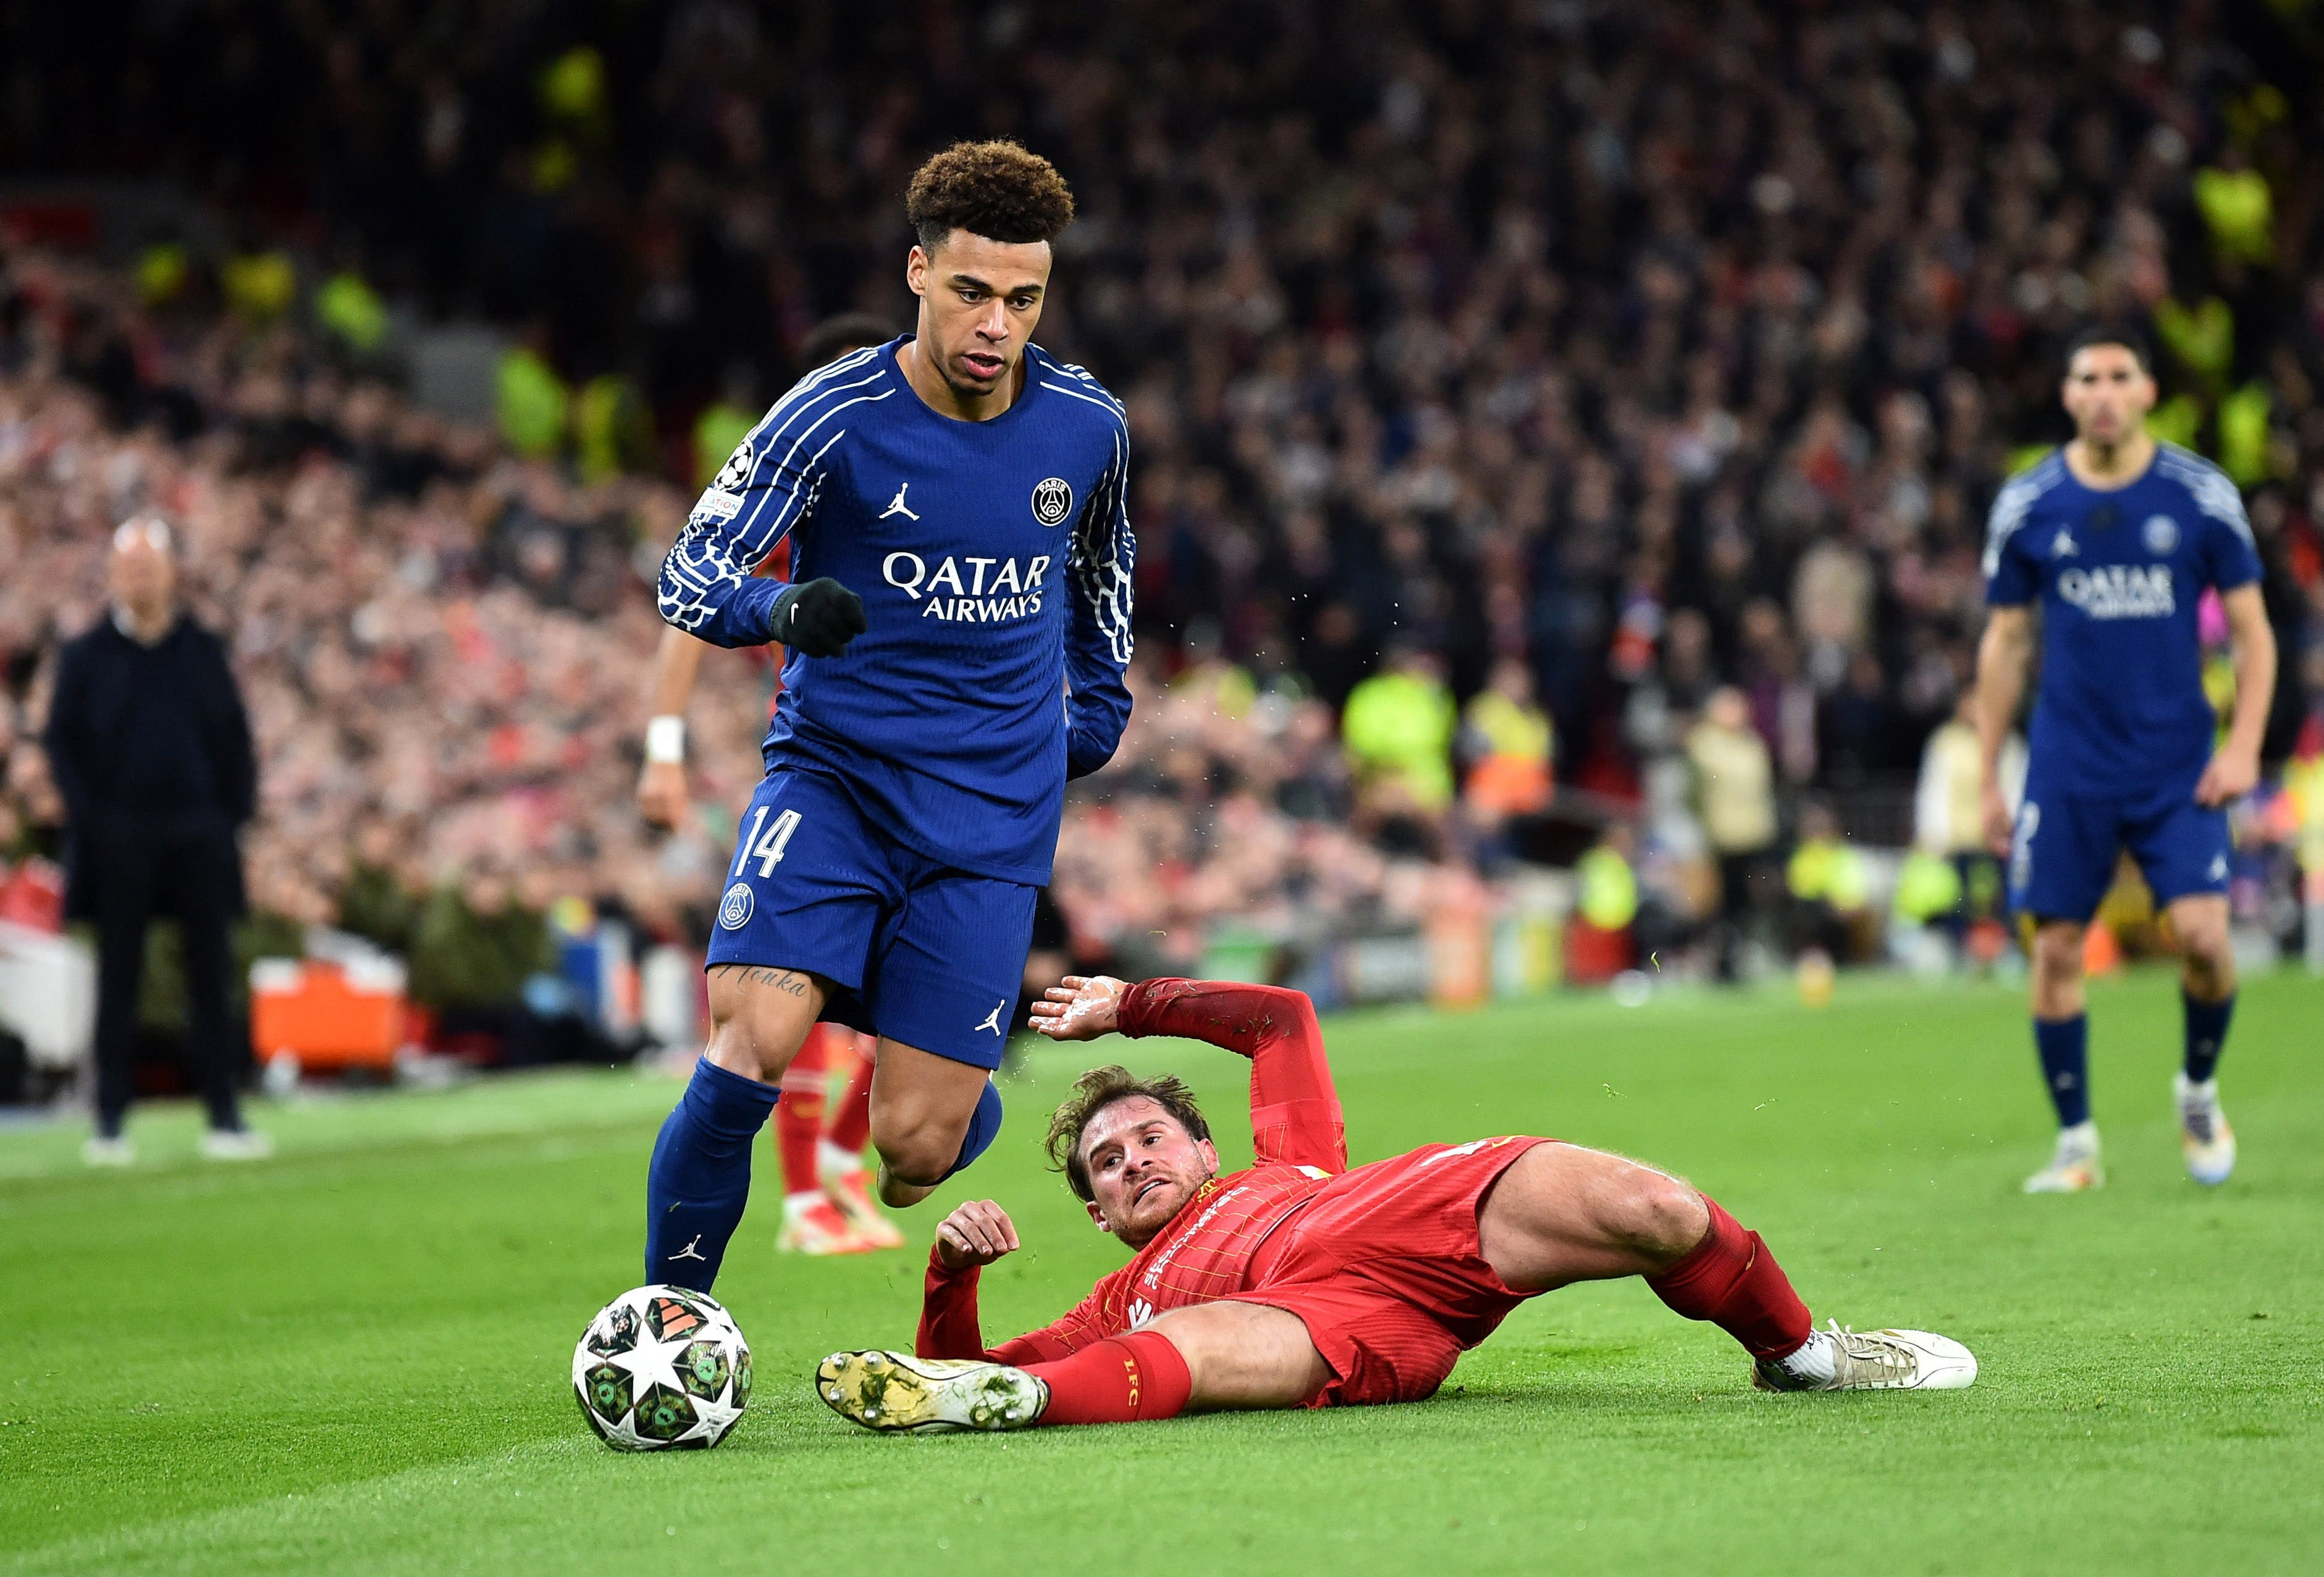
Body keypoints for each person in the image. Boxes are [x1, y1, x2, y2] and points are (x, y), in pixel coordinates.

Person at [641, 140, 1135, 1291]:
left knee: (912, 1157)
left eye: (1023, 299)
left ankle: (940, 1087)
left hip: (988, 825)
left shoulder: (1089, 426)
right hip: (837, 787)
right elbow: (688, 569)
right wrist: (778, 606)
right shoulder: (830, 412)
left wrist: (1097, 717)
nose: (995, 325)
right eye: (970, 291)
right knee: (749, 1041)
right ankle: (670, 1313)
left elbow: (1103, 581)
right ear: (917, 273)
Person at [814, 974, 1976, 1433]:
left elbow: (1281, 1019)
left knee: (1656, 1206)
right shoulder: (1120, 1296)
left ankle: (1800, 1357)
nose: (1131, 1162)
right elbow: (952, 1361)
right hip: (1327, 1320)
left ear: (1204, 1147)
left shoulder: (1291, 1160)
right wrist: (948, 1275)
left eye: (1148, 1136)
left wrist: (1133, 1005)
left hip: (1413, 1215)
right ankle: (1018, 1410)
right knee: (1188, 1342)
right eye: (1106, 1166)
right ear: (1102, 1218)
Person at [1972, 325, 2277, 1193]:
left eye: (2118, 376)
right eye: (2087, 378)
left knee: (2204, 940)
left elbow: (2253, 634)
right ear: (2067, 395)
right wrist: (1988, 772)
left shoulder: (2200, 494)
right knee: (2055, 950)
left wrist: (2244, 747)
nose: (2103, 392)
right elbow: (2005, 642)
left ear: (2146, 391)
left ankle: (2197, 1089)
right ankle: (2076, 1147)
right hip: (2068, 764)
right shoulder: (2029, 503)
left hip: (2176, 763)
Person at [635, 313, 902, 1257]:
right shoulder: (791, 492)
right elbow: (686, 616)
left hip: (926, 780)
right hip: (819, 772)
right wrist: (663, 749)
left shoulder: (927, 485)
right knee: (797, 990)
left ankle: (837, 1167)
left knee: (905, 1008)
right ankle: (801, 1200)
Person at [42, 517, 269, 1165]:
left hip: (197, 835)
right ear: (114, 576)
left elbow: (234, 737)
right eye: (131, 566)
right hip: (120, 841)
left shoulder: (202, 649)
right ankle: (110, 1119)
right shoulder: (87, 655)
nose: (141, 578)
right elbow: (62, 743)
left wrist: (229, 817)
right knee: (119, 979)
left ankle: (224, 1112)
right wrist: (94, 820)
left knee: (211, 976)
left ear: (173, 574)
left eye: (151, 565)